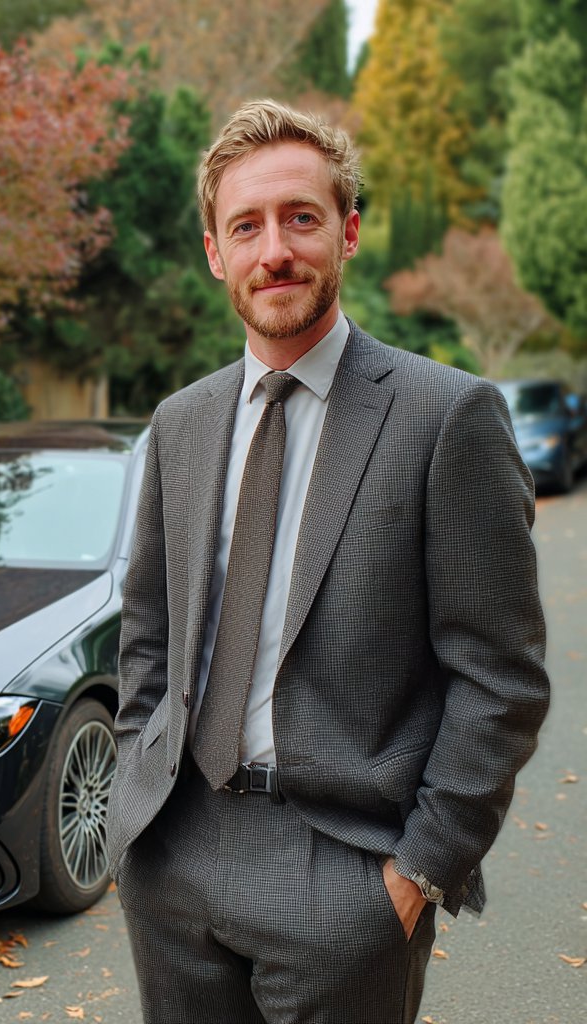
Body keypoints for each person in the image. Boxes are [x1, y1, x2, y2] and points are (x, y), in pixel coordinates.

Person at [106, 98, 550, 1024]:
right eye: (248, 225)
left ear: (346, 233)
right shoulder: (180, 424)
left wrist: (416, 872)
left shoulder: (445, 417)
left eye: (301, 218)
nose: (276, 250)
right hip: (175, 854)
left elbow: (499, 679)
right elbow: (147, 636)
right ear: (214, 252)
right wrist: (131, 809)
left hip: (343, 870)